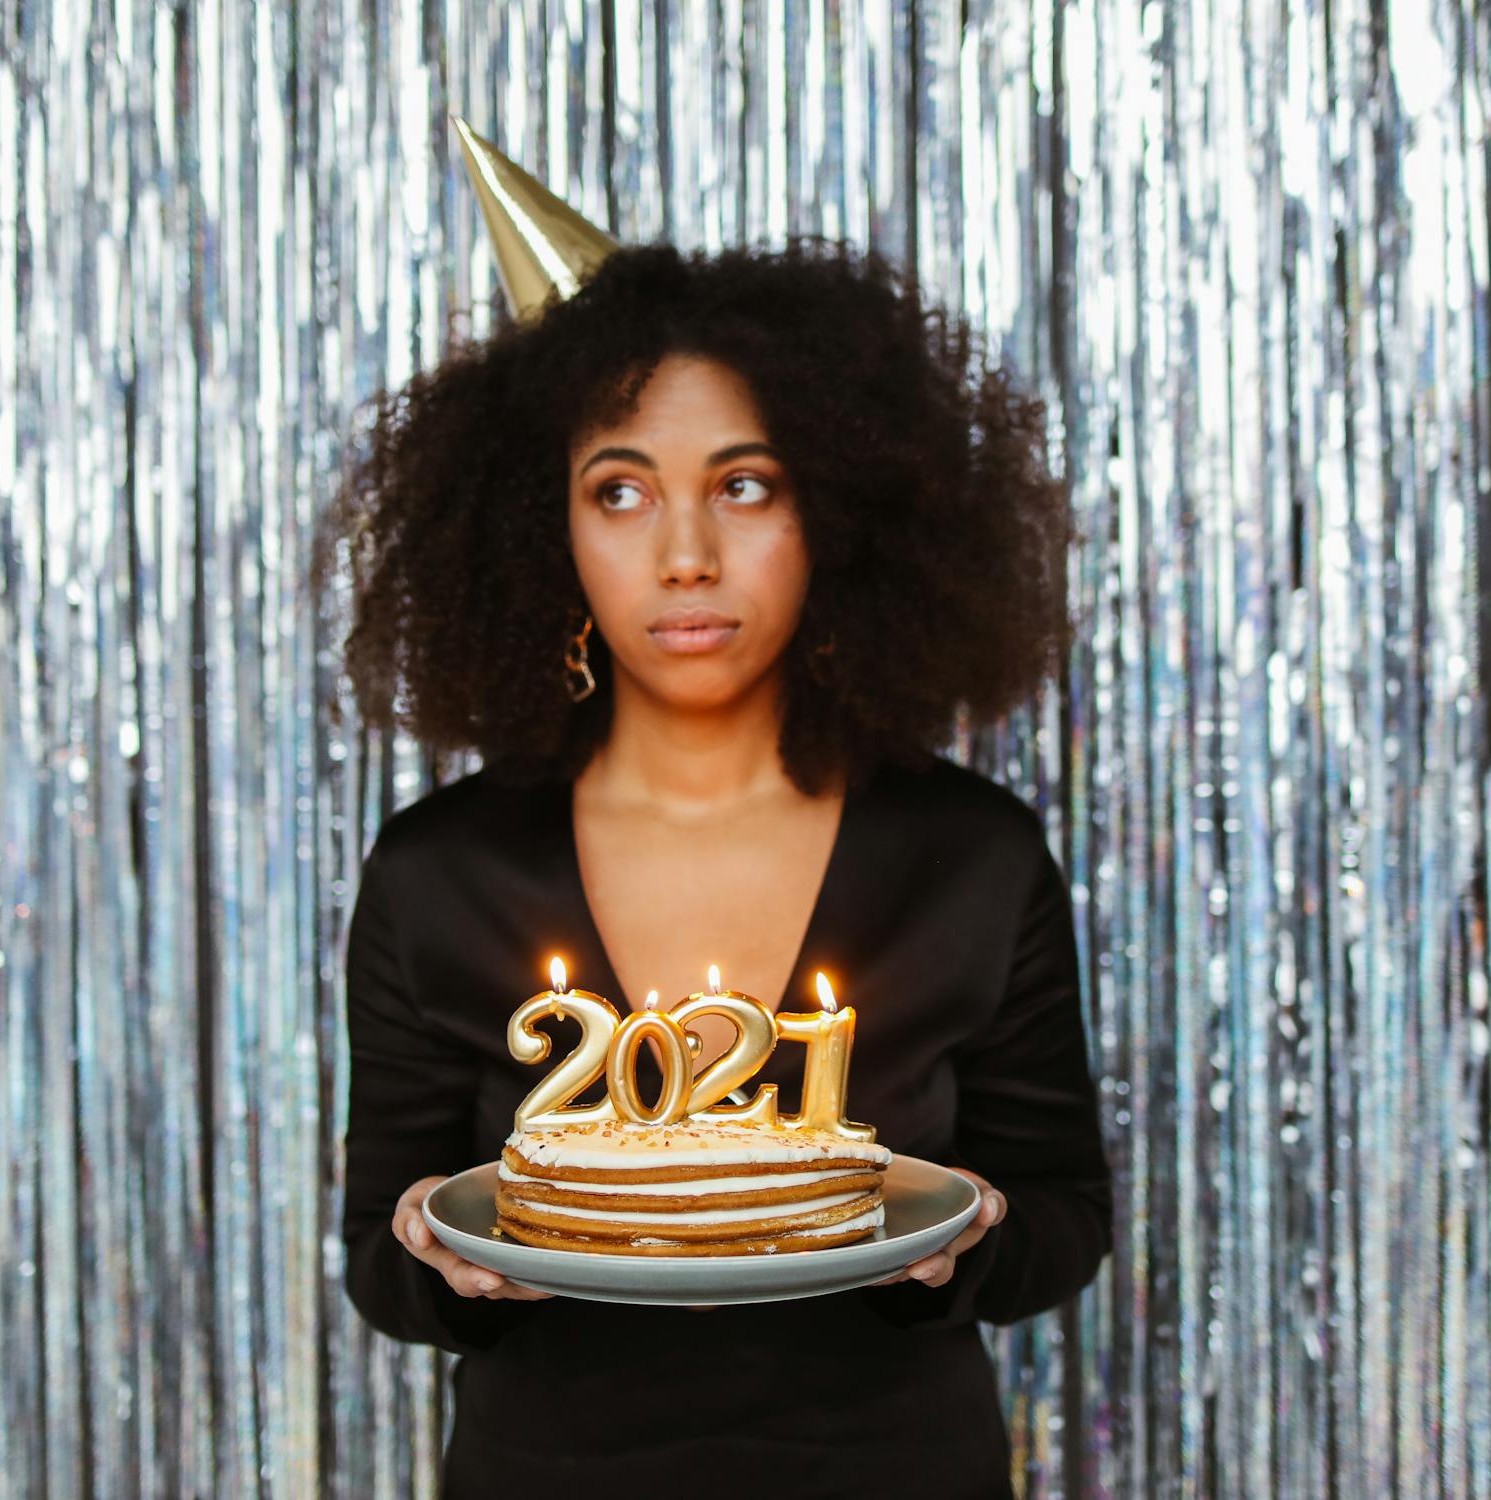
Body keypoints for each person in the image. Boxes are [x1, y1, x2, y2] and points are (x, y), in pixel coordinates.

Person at [312, 236, 1112, 1499]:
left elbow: (1065, 1210)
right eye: (620, 492)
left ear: (837, 509)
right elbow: (383, 1253)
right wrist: (439, 1261)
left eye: (745, 486)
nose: (685, 554)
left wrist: (963, 1247)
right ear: (541, 524)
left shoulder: (974, 856)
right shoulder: (436, 874)